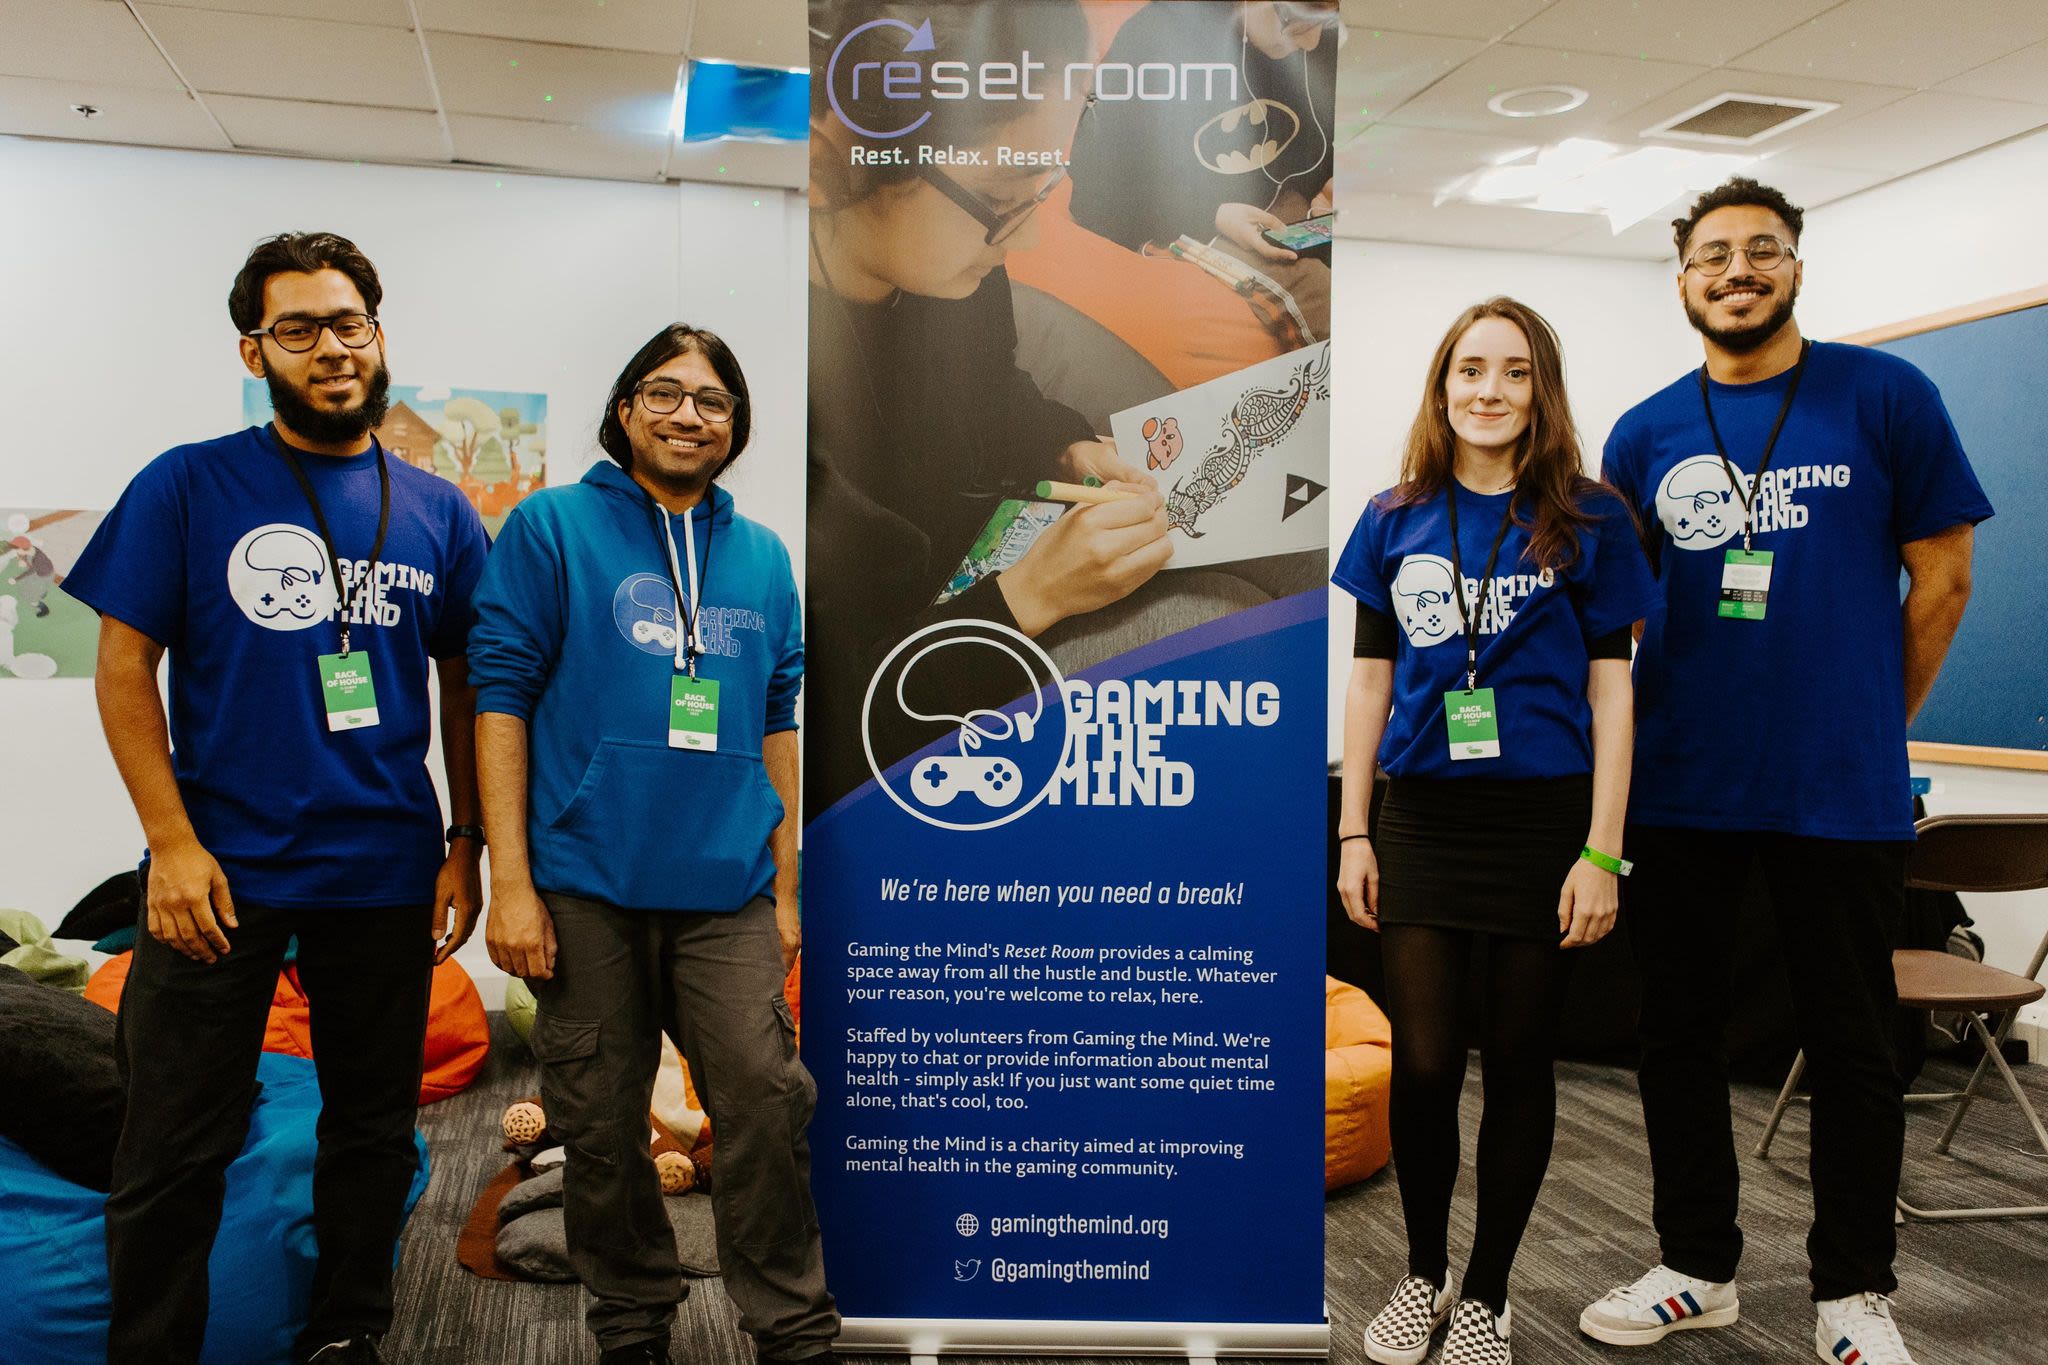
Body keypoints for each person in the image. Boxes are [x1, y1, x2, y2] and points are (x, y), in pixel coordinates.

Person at [1580, 178, 1992, 1365]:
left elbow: (1944, 580)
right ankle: (1694, 1265)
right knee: (1676, 1039)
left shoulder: (1886, 396)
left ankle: (1852, 1292)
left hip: (1837, 792)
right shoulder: (1644, 430)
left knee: (1856, 1047)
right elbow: (1623, 616)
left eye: (1761, 251)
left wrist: (1869, 721)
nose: (1736, 270)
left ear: (1795, 269)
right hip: (1683, 784)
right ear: (1682, 284)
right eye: (1712, 255)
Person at [64, 231, 490, 1365]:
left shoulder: (441, 510)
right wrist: (169, 845)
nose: (331, 349)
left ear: (379, 335)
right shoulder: (190, 482)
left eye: (349, 323)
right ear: (254, 352)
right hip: (221, 871)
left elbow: (470, 685)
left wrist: (465, 841)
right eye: (298, 329)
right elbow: (122, 667)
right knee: (171, 1142)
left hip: (387, 870)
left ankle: (346, 1330)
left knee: (372, 1128)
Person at [468, 325, 837, 1365]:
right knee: (597, 1120)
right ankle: (631, 1328)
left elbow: (776, 721)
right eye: (665, 394)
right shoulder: (549, 528)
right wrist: (513, 883)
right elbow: (497, 698)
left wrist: (785, 887)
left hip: (726, 886)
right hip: (584, 883)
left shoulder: (761, 555)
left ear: (736, 423)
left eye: (712, 400)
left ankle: (792, 1332)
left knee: (764, 1101)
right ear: (625, 411)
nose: (689, 415)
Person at [1334, 297, 1657, 1365]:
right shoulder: (1392, 515)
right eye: (1469, 369)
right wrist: (1354, 831)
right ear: (1440, 386)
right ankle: (1420, 1272)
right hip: (1422, 817)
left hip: (1541, 818)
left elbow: (1613, 694)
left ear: (1539, 392)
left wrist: (1601, 850)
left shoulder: (1589, 518)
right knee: (1424, 1062)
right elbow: (1370, 679)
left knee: (1518, 1060)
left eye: (1512, 373)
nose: (1487, 390)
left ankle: (1486, 1291)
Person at [805, 0, 1170, 807]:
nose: (1028, 241)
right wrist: (1030, 597)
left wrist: (1065, 446)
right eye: (1004, 199)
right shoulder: (778, 377)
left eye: (1045, 192)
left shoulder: (964, 282)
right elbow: (830, 712)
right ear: (834, 165)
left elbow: (1001, 393)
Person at [1068, 0, 1339, 339]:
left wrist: (1327, 187)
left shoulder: (1321, 43)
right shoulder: (1154, 40)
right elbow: (1094, 194)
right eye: (1296, 20)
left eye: (1324, 22)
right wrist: (1213, 214)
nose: (1311, 40)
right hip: (1192, 224)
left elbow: (1323, 150)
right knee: (1322, 296)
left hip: (1287, 217)